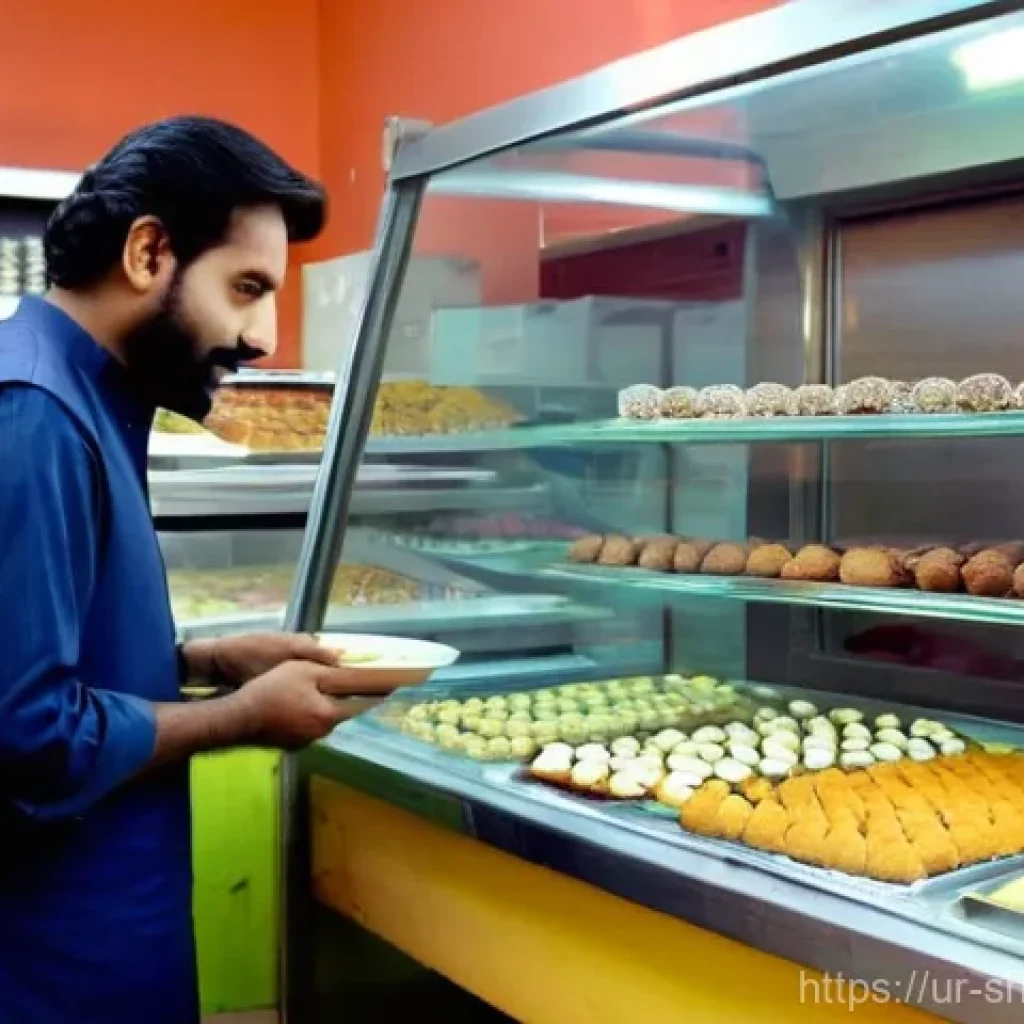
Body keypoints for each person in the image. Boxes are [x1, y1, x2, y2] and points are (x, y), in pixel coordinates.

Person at [0, 117, 380, 1023]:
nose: (263, 336)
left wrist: (207, 661)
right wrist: (243, 717)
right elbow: (26, 737)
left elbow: (49, 651)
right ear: (148, 253)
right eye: (246, 287)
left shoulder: (89, 393)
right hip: (58, 966)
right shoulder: (35, 414)